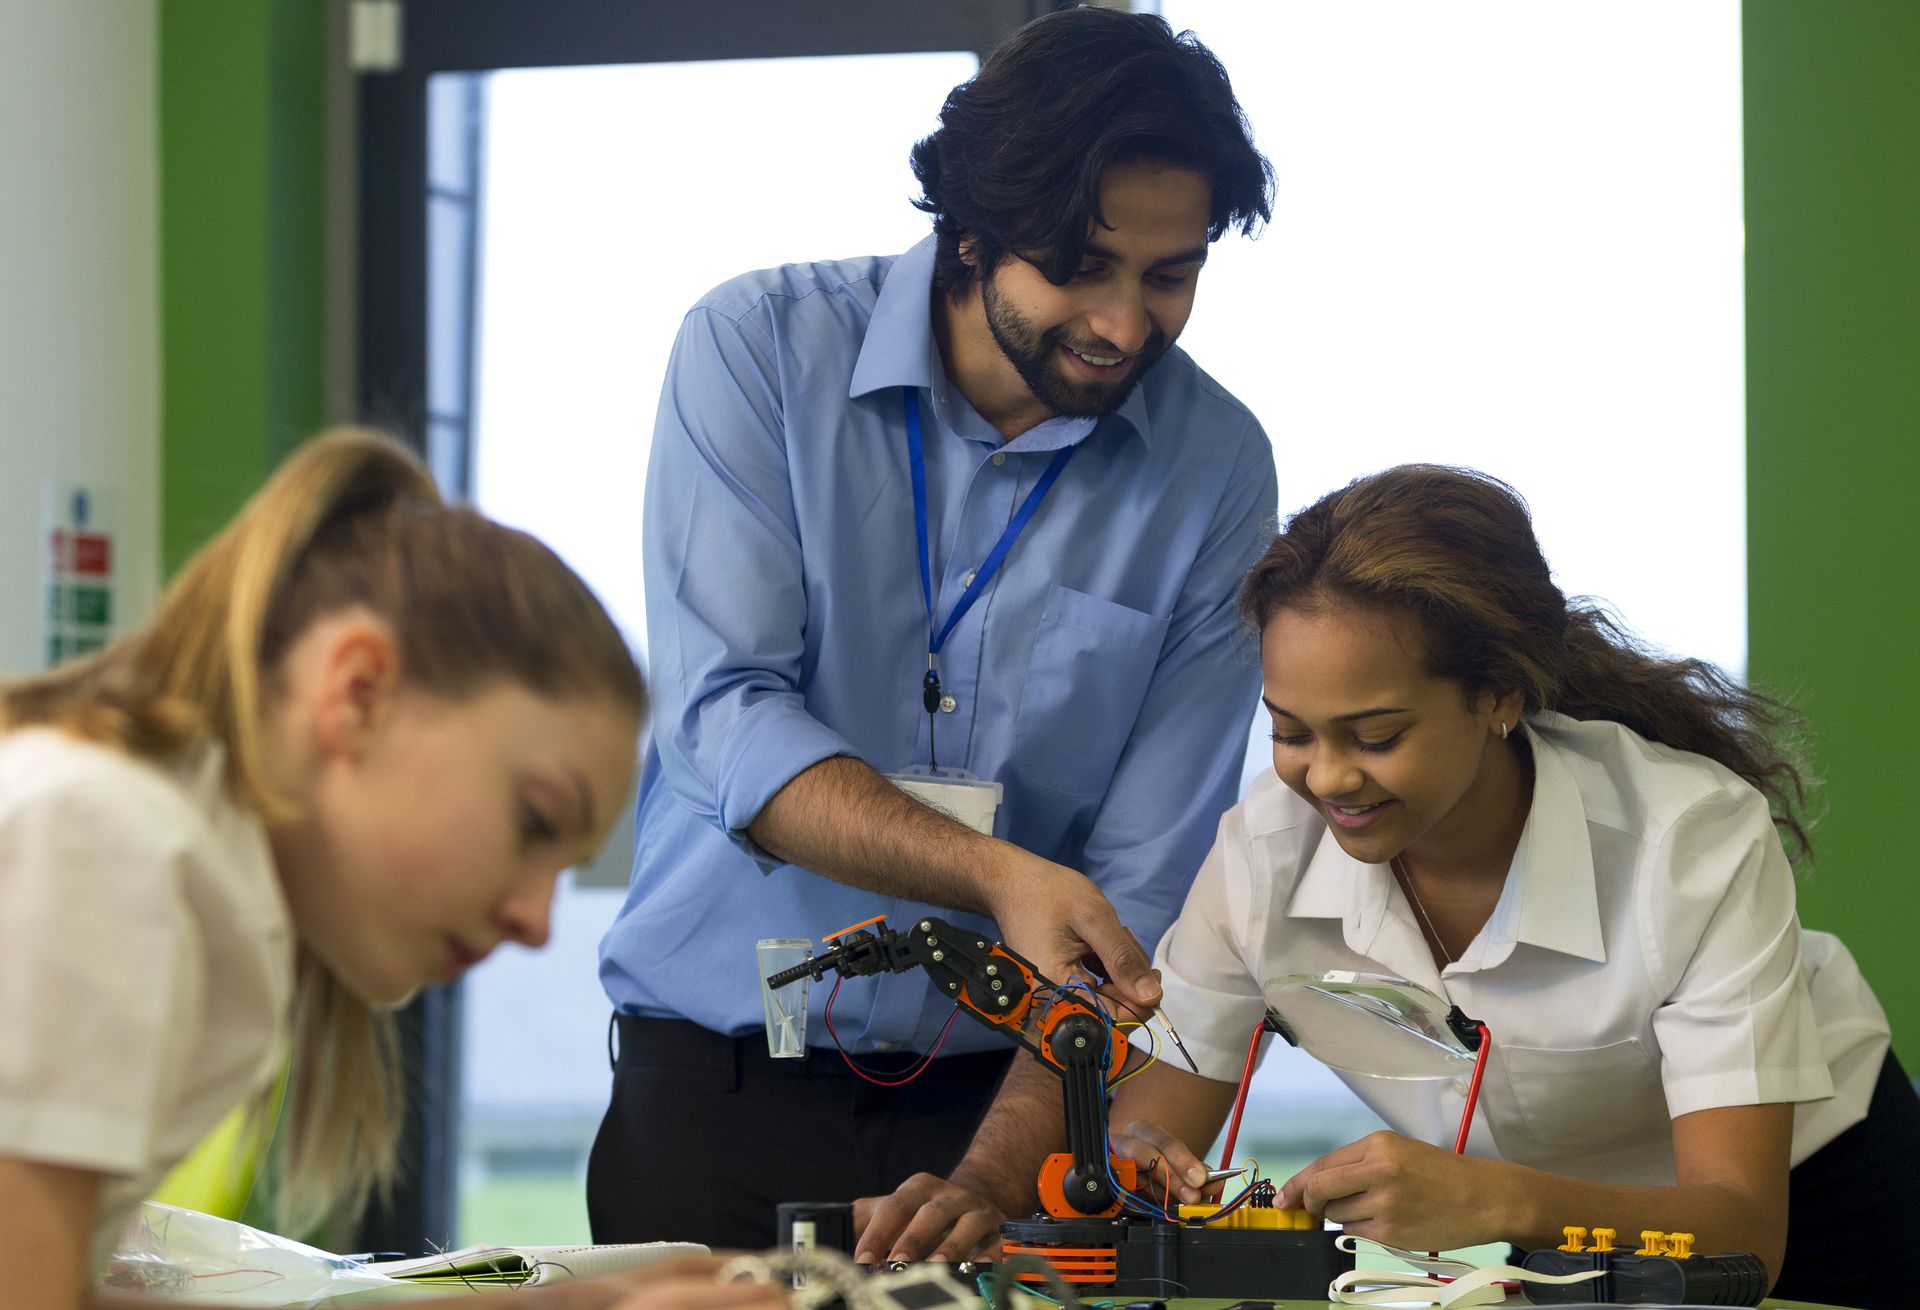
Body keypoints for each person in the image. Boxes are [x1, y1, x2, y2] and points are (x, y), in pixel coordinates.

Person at [589, 7, 1278, 1255]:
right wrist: (993, 872)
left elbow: (1141, 880)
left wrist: (996, 1175)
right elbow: (724, 719)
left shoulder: (1216, 467)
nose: (1127, 326)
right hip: (714, 1098)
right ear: (969, 232)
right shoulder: (754, 351)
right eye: (1083, 264)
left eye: (1170, 275)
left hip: (1004, 1111)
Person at [1094, 465, 1915, 1310]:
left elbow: (1744, 1234)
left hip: (1806, 1198)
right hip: (1550, 1227)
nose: (1328, 777)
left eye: (1375, 735)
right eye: (1291, 731)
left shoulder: (1688, 842)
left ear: (1499, 696)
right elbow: (1145, 1134)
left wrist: (1496, 1200)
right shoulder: (1264, 853)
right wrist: (1135, 1170)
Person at [0, 431, 787, 1310]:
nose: (536, 924)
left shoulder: (200, 892)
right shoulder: (107, 848)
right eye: (533, 821)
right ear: (360, 692)